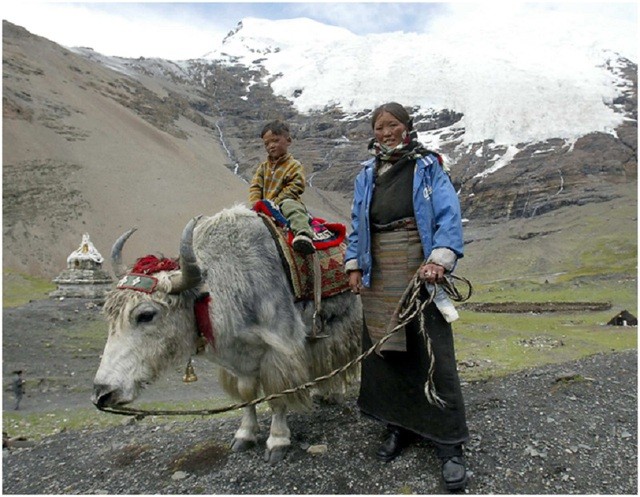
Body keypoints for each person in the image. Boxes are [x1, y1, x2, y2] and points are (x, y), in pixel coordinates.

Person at [344, 102, 469, 491]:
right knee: (387, 352)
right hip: (378, 272)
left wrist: (439, 260)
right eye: (379, 127)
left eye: (392, 125)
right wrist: (352, 264)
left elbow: (448, 215)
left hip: (419, 267)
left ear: (407, 127)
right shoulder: (368, 174)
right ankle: (400, 427)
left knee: (431, 353)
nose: (385, 132)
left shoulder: (428, 165)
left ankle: (449, 444)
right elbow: (356, 222)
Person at [249, 120, 315, 255]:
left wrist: (277, 202)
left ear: (288, 141)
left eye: (275, 141)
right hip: (265, 206)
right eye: (267, 144)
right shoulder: (263, 168)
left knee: (292, 208)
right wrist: (257, 203)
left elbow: (296, 185)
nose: (271, 146)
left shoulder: (294, 165)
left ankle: (303, 234)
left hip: (285, 202)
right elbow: (255, 186)